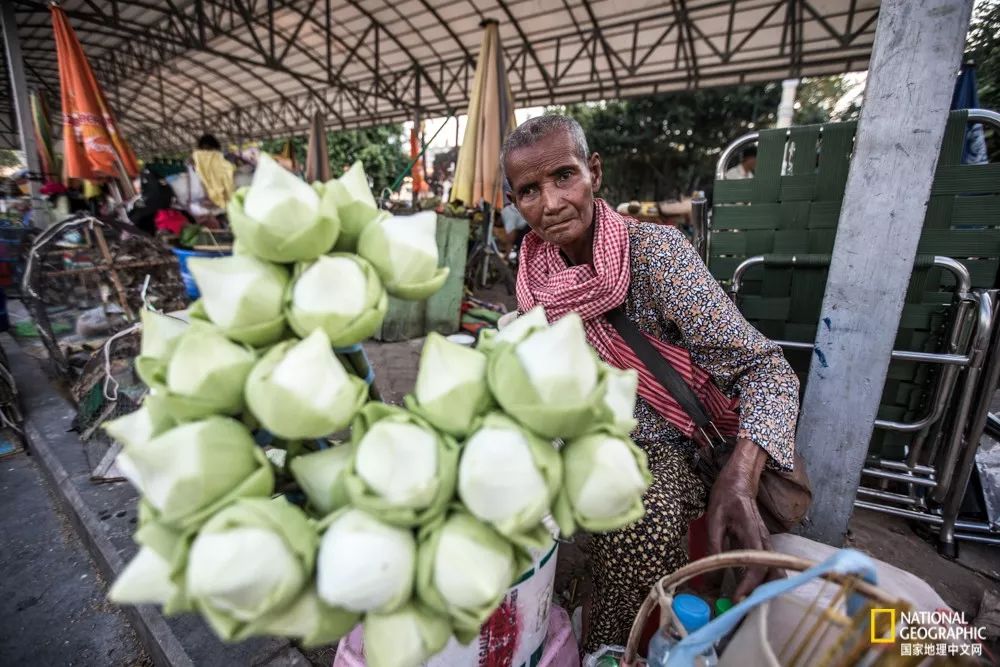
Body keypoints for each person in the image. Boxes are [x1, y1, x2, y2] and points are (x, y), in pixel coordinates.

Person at [502, 116, 799, 651]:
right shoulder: (532, 273)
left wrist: (740, 476)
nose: (549, 203)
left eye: (564, 176)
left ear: (595, 173)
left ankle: (615, 645)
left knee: (639, 519)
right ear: (514, 201)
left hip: (672, 445)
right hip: (583, 436)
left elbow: (767, 371)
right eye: (529, 190)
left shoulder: (656, 257)